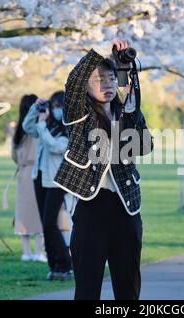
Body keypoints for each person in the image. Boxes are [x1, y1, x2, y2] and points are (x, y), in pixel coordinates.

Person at [53, 38, 153, 300]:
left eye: (110, 79)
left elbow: (144, 146)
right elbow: (73, 81)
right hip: (91, 207)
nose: (106, 85)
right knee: (87, 286)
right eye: (99, 80)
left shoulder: (124, 111)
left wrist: (131, 110)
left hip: (126, 206)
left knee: (128, 286)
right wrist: (99, 49)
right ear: (86, 86)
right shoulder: (79, 114)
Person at [22, 90, 73, 280]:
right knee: (46, 225)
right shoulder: (47, 125)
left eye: (60, 106)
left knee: (50, 223)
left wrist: (42, 125)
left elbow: (55, 147)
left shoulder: (67, 130)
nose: (56, 110)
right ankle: (54, 266)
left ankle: (64, 265)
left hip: (56, 181)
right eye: (54, 106)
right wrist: (35, 109)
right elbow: (27, 127)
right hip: (40, 177)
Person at [9, 94, 48, 262]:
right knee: (40, 211)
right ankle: (39, 251)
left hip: (23, 172)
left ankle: (26, 252)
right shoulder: (38, 127)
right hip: (38, 171)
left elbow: (14, 156)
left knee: (23, 212)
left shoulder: (19, 130)